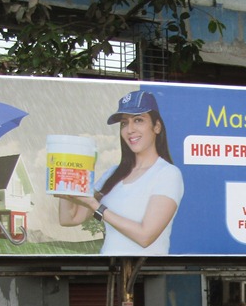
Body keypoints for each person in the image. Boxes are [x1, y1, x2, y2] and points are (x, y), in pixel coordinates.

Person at [58, 90, 183, 254]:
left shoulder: (168, 174)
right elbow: (69, 219)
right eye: (124, 123)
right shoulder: (112, 174)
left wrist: (97, 207)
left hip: (145, 274)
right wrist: (64, 184)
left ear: (157, 126)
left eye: (138, 120)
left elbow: (145, 236)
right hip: (110, 271)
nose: (130, 129)